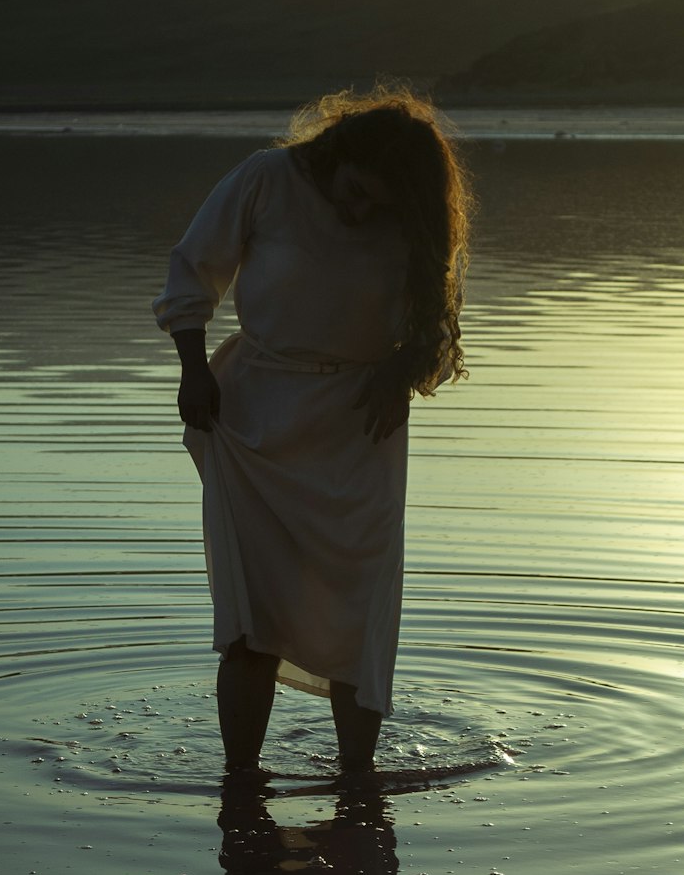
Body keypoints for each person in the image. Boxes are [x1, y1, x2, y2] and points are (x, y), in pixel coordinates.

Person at [152, 85, 471, 774]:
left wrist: (400, 374)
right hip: (253, 419)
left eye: (376, 205)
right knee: (251, 619)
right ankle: (242, 778)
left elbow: (430, 322)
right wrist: (192, 368)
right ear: (338, 154)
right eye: (355, 191)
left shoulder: (411, 215)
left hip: (361, 427)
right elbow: (192, 270)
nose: (360, 212)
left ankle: (359, 780)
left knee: (361, 613)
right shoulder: (267, 179)